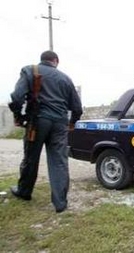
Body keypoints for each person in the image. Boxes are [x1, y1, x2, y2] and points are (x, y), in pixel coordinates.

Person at [8, 51, 82, 213]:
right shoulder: (65, 78)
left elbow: (17, 97)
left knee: (31, 157)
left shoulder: (30, 71)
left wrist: (18, 117)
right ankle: (60, 203)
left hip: (37, 123)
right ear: (56, 61)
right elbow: (77, 108)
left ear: (42, 60)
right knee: (59, 161)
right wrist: (72, 123)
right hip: (60, 124)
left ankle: (24, 191)